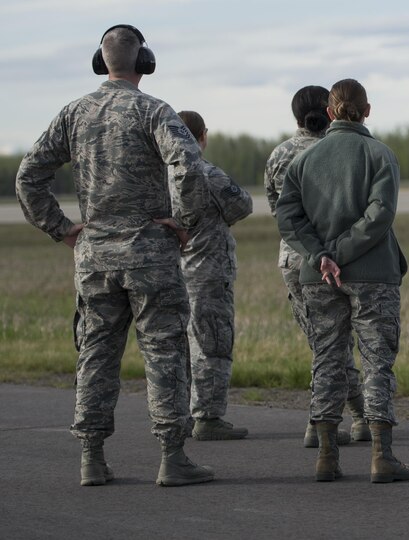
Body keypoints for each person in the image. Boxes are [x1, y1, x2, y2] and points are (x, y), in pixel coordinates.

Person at [15, 25, 214, 488]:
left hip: (95, 258)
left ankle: (92, 458)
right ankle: (171, 457)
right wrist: (185, 221)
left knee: (96, 353)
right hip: (150, 254)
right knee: (164, 351)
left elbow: (29, 176)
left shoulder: (74, 114)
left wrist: (61, 228)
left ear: (100, 61)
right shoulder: (153, 110)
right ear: (144, 61)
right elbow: (188, 165)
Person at [276, 79, 409, 483]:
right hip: (373, 274)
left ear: (331, 112)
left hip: (318, 277)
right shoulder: (380, 155)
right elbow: (381, 213)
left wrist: (322, 256)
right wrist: (341, 253)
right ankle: (381, 456)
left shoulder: (303, 161)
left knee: (328, 361)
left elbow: (288, 217)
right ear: (366, 111)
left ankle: (326, 457)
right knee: (377, 362)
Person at [264, 85, 369, 448]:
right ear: (331, 112)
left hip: (294, 259)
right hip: (339, 256)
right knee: (335, 344)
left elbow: (278, 209)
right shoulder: (339, 150)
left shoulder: (279, 155)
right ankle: (331, 419)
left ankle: (354, 415)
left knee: (323, 342)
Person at [170, 110, 253, 441]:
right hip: (208, 271)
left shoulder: (158, 177)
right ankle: (208, 416)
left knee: (176, 347)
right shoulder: (207, 174)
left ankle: (179, 415)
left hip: (171, 273)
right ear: (201, 136)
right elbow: (243, 205)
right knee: (212, 343)